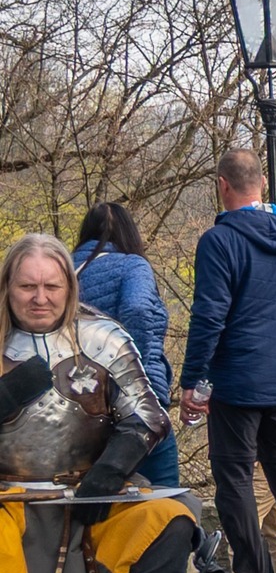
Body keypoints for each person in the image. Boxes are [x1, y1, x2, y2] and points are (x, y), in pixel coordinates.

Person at [0, 235, 198, 573]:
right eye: (27, 286)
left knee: (172, 519)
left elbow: (148, 417)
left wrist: (108, 473)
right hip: (6, 502)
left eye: (51, 286)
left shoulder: (102, 338)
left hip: (90, 499)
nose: (40, 298)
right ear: (7, 288)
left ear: (69, 287)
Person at [180, 148, 276, 573]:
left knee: (234, 478)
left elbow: (209, 316)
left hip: (236, 382)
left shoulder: (219, 242)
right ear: (262, 183)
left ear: (222, 185)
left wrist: (193, 380)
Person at [72, 203, 178, 489]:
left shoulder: (64, 269)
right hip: (137, 400)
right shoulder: (133, 266)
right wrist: (131, 368)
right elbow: (137, 309)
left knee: (90, 487)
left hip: (79, 397)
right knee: (164, 489)